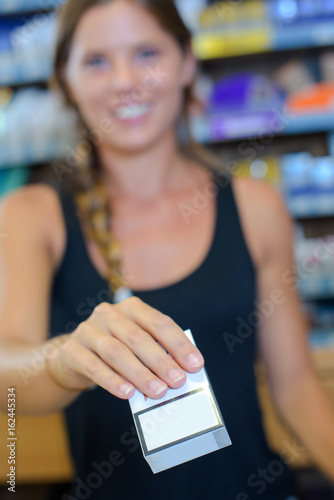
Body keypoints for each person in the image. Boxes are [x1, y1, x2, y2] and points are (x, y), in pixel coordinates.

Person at [0, 0, 334, 498]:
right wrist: (64, 359)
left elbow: (295, 387)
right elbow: (9, 375)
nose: (123, 79)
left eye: (146, 52)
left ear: (186, 63)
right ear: (65, 80)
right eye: (96, 60)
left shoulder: (255, 208)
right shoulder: (30, 215)